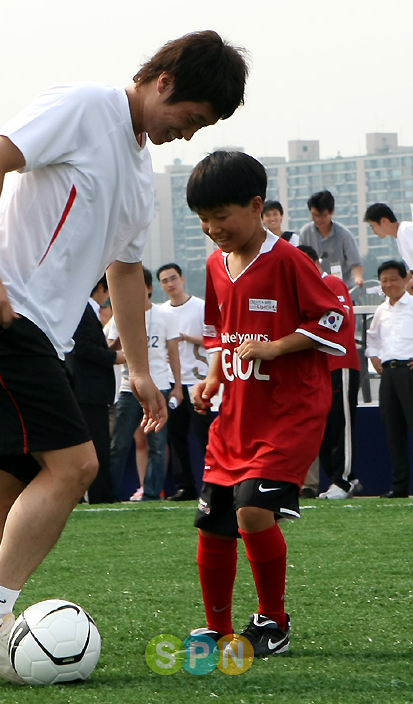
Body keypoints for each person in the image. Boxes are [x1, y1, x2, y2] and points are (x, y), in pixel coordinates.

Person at [0, 30, 248, 682]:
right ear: (163, 81)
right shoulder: (84, 105)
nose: (187, 135)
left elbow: (125, 274)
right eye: (189, 119)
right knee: (77, 466)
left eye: (203, 128)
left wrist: (138, 369)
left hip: (30, 327)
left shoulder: (139, 177)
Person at [186, 151, 349, 657]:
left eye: (221, 216)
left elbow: (335, 322)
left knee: (253, 511)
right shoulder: (215, 264)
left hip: (289, 412)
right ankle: (216, 628)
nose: (213, 229)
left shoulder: (289, 260)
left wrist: (276, 347)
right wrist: (213, 376)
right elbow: (219, 330)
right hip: (236, 412)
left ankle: (273, 622)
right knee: (213, 520)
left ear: (257, 207)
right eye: (203, 219)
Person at [108, 267, 182, 501]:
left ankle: (151, 493)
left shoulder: (165, 316)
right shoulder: (118, 316)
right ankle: (108, 494)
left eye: (139, 286)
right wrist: (118, 343)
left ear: (149, 289)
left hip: (159, 385)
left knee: (158, 444)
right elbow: (108, 351)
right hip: (129, 388)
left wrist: (177, 386)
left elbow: (173, 352)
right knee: (119, 444)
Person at [297, 245, 361, 499]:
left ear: (316, 264)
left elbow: (340, 319)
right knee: (325, 426)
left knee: (342, 423)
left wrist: (306, 334)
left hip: (340, 363)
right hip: (318, 369)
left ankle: (344, 480)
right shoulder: (304, 292)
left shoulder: (331, 283)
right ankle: (341, 478)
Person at [66, 275, 126, 504]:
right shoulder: (83, 310)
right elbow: (81, 348)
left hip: (91, 391)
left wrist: (112, 349)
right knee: (97, 446)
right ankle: (100, 495)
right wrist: (114, 357)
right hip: (87, 391)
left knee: (98, 445)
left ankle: (102, 493)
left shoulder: (86, 311)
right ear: (101, 287)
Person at [157, 263, 213, 501]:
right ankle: (184, 486)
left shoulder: (200, 307)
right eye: (165, 281)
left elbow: (213, 339)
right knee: (176, 437)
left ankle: (213, 484)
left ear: (182, 279)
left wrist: (185, 337)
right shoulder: (161, 312)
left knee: (206, 437)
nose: (170, 284)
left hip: (200, 381)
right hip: (172, 382)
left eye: (173, 279)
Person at [365, 260, 413, 498]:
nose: (389, 284)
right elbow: (371, 338)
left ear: (405, 279)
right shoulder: (381, 310)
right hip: (388, 374)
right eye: (384, 280)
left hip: (409, 372)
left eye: (393, 279)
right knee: (393, 432)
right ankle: (399, 486)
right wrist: (374, 358)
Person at [299, 190, 364, 290]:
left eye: (323, 215)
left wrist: (358, 279)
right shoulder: (305, 233)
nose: (318, 219)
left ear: (332, 212)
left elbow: (356, 264)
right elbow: (300, 263)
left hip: (342, 289)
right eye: (314, 215)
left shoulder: (344, 234)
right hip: (316, 289)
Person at [363, 203, 413, 273]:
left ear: (383, 221)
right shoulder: (400, 236)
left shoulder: (406, 229)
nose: (373, 232)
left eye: (372, 227)